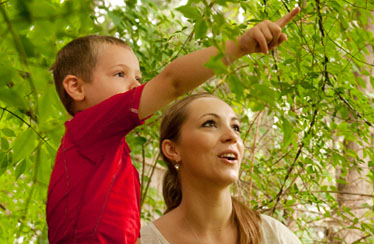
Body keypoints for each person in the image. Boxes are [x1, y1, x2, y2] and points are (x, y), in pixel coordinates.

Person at [46, 6, 300, 244]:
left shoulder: (110, 156)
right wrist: (239, 47)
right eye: (120, 74)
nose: (135, 86)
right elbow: (172, 82)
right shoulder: (87, 133)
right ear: (76, 88)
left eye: (138, 77)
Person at [140, 94, 302, 244]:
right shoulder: (146, 240)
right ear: (173, 150)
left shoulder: (273, 235)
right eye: (210, 124)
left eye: (236, 127)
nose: (232, 136)